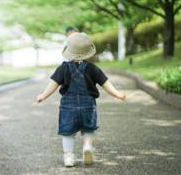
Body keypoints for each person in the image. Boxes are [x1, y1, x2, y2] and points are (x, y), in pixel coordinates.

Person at [36, 33, 126, 167]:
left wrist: (43, 95)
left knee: (68, 132)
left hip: (68, 106)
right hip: (88, 105)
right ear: (88, 53)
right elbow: (106, 83)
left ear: (69, 51)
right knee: (89, 129)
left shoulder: (63, 68)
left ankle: (68, 156)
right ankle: (87, 147)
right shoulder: (93, 68)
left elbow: (53, 84)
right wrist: (117, 94)